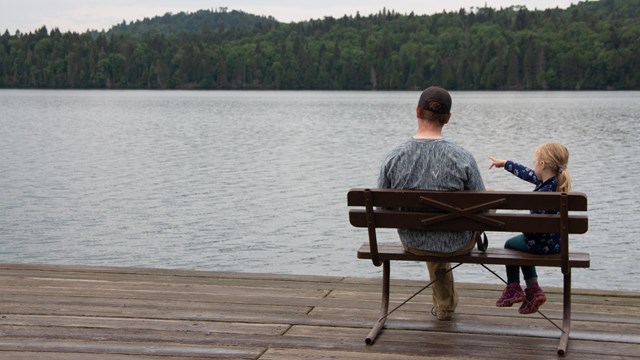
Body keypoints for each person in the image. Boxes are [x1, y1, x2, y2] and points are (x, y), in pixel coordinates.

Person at [378, 86, 485, 321]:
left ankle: (445, 306)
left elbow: (381, 209)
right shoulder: (462, 157)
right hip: (458, 242)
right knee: (449, 219)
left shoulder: (393, 156)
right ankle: (445, 306)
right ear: (447, 118)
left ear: (417, 110)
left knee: (430, 222)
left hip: (413, 239)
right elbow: (483, 206)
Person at [488, 143, 571, 314]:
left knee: (511, 245)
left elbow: (534, 230)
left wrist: (525, 229)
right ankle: (533, 289)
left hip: (540, 245)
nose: (533, 167)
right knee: (525, 244)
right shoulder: (556, 184)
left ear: (542, 165)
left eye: (535, 162)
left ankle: (514, 287)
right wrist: (505, 164)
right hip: (558, 244)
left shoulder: (542, 194)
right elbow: (527, 174)